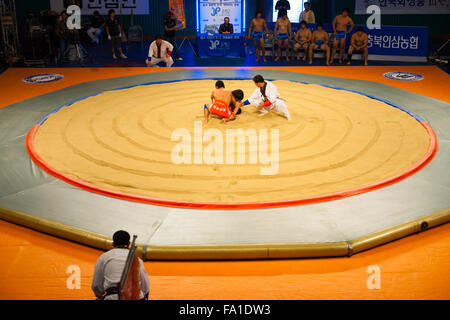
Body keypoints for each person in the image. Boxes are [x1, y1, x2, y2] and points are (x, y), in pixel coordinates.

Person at [91, 230, 150, 300]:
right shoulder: (136, 259)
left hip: (113, 296)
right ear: (129, 244)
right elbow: (145, 285)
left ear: (113, 244)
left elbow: (96, 286)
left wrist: (100, 295)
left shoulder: (104, 257)